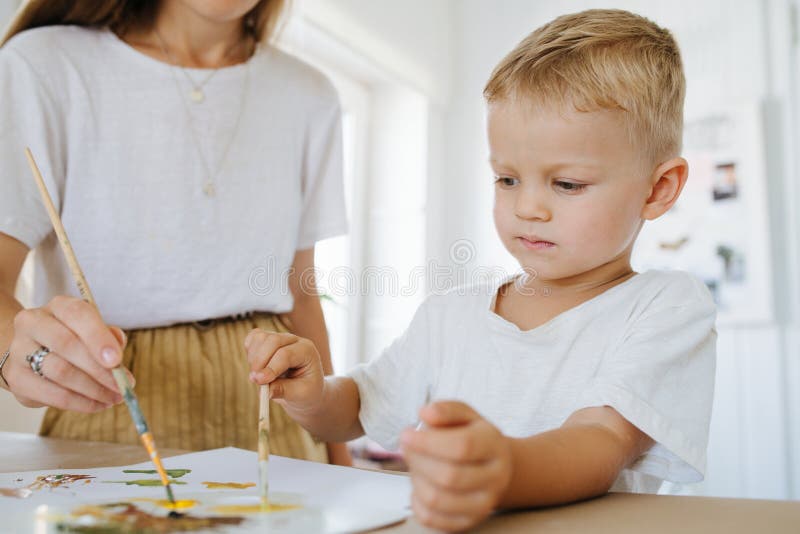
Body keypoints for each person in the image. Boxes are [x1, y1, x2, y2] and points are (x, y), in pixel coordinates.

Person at [244, 8, 717, 531]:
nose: (528, 207)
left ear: (658, 190)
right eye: (507, 179)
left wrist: (503, 469)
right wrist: (313, 395)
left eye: (568, 184)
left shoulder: (665, 307)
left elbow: (602, 440)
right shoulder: (452, 312)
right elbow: (358, 408)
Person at [0, 0, 351, 465]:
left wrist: (338, 454)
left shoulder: (309, 93)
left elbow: (301, 296)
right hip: (115, 399)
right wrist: (10, 353)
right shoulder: (42, 64)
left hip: (275, 403)